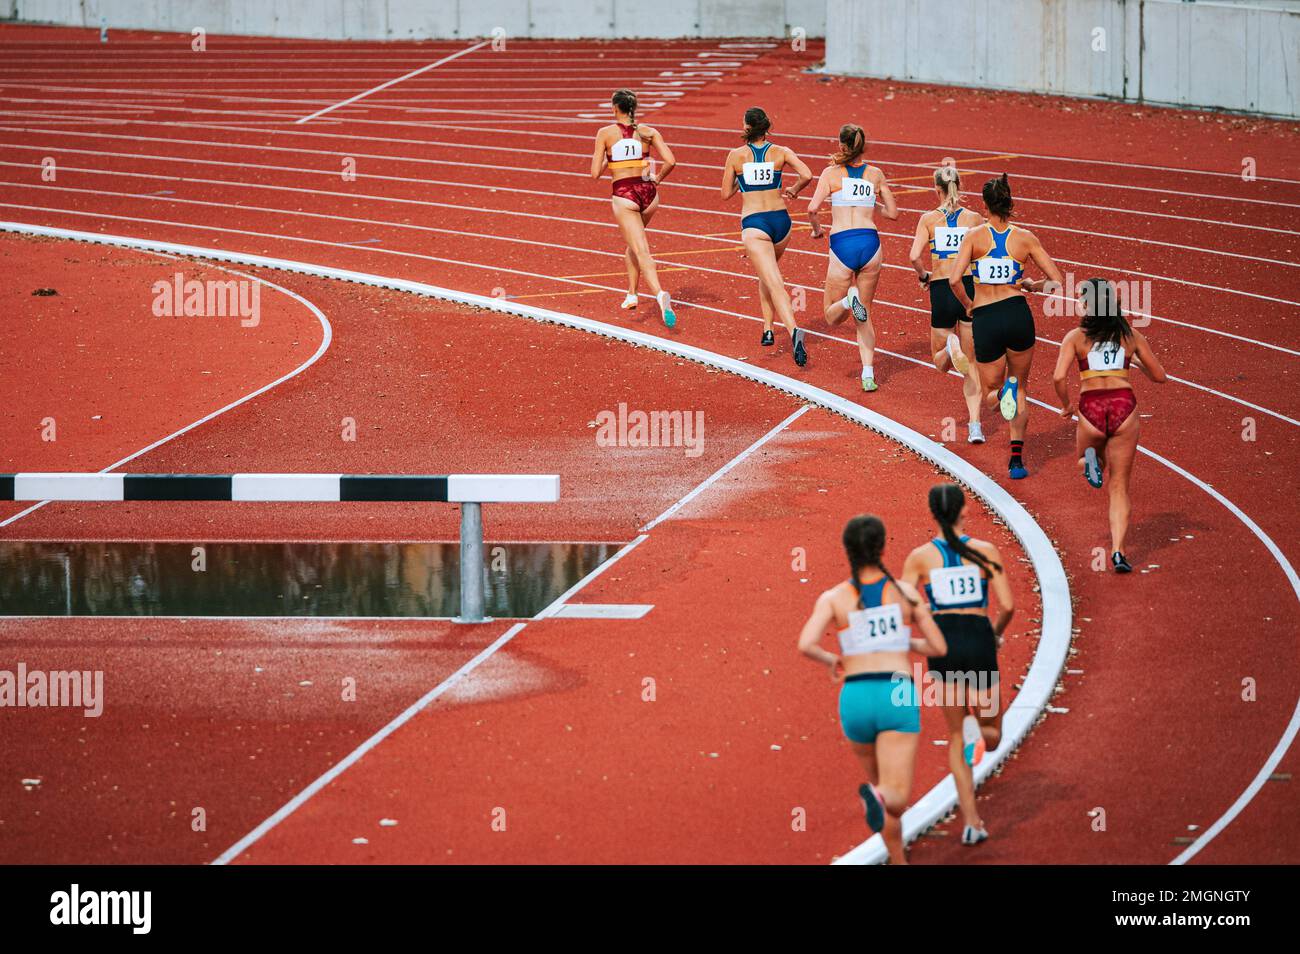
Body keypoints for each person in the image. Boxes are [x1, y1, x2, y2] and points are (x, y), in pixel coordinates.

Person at [798, 514, 947, 865]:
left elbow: (805, 644)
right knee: (893, 796)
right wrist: (904, 640)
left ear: (847, 550)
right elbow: (938, 648)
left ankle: (898, 860)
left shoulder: (834, 597)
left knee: (881, 786)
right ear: (882, 546)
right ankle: (879, 800)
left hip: (854, 697)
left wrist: (831, 659)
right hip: (896, 692)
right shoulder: (905, 593)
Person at [902, 484, 1014, 846]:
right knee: (993, 737)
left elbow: (904, 607)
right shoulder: (985, 551)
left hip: (944, 644)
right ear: (965, 511)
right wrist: (994, 633)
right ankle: (978, 733)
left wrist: (925, 621)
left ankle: (972, 822)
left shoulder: (919, 557)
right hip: (980, 640)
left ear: (933, 514)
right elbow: (1009, 606)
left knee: (954, 737)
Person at [948, 174, 1064, 479]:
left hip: (986, 317)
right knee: (1021, 387)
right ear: (1009, 203)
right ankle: (1016, 461)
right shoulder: (1025, 238)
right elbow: (1056, 281)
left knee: (990, 393)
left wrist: (969, 305)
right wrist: (1033, 286)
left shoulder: (973, 237)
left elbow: (954, 279)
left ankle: (1003, 396)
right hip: (1017, 314)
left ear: (985, 205)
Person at [1052, 278, 1168, 573]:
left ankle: (1090, 460)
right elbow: (1160, 376)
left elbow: (1057, 377)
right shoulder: (1130, 336)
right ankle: (1118, 552)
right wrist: (1134, 363)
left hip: (1091, 406)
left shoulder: (1076, 337)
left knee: (1083, 459)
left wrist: (1066, 405)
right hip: (1123, 407)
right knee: (1119, 486)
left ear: (1089, 305)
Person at [806, 124, 898, 392]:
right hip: (870, 245)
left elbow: (812, 209)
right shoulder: (875, 174)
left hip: (842, 245)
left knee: (831, 316)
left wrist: (817, 230)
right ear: (862, 145)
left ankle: (848, 300)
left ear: (841, 145)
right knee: (865, 315)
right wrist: (872, 204)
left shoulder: (830, 173)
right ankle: (868, 374)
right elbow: (892, 213)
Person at [722, 106, 814, 367]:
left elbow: (725, 193)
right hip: (782, 223)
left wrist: (743, 180)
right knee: (767, 273)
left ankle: (794, 329)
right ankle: (767, 328)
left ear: (746, 128)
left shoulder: (736, 155)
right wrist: (795, 189)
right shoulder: (781, 152)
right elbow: (807, 174)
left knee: (774, 282)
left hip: (755, 223)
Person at [909, 166, 986, 443]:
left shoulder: (928, 219)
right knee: (972, 365)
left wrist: (924, 276)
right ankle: (976, 426)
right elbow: (984, 253)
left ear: (936, 189)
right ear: (960, 186)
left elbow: (914, 255)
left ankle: (950, 346)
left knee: (941, 362)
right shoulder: (974, 218)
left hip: (942, 288)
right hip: (967, 288)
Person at [590, 88, 678, 327]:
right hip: (649, 194)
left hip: (624, 194)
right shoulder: (648, 132)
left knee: (642, 251)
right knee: (633, 245)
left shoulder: (605, 133)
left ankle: (660, 294)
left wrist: (612, 157)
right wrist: (657, 179)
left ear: (615, 108)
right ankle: (631, 294)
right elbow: (671, 161)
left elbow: (595, 173)